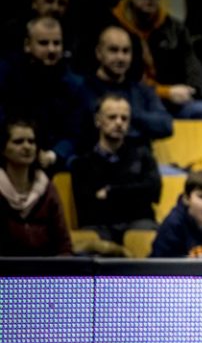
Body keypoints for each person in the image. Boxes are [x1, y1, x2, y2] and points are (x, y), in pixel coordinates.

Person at [111, 0, 202, 129]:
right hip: (128, 102)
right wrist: (165, 92)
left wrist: (188, 90)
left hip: (172, 104)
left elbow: (192, 70)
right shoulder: (112, 27)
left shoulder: (175, 28)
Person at [0, 16, 87, 171]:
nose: (51, 50)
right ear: (27, 45)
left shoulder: (75, 85)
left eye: (56, 43)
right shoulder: (8, 75)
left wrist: (53, 154)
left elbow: (74, 133)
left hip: (51, 158)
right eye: (43, 43)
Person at [71, 94, 161, 244]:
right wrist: (132, 192)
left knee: (147, 237)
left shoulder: (143, 155)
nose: (119, 123)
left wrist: (110, 191)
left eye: (124, 118)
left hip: (138, 224)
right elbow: (88, 208)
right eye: (112, 117)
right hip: (99, 227)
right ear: (98, 121)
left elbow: (153, 192)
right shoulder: (82, 164)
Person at [83, 26, 174, 144]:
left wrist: (129, 115)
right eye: (113, 50)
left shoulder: (142, 91)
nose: (121, 58)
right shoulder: (84, 89)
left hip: (140, 159)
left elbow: (165, 125)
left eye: (126, 51)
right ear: (99, 53)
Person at [0, 118, 72, 256]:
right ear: (3, 149)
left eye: (31, 141)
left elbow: (64, 244)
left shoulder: (46, 187)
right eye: (18, 142)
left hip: (45, 272)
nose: (27, 147)